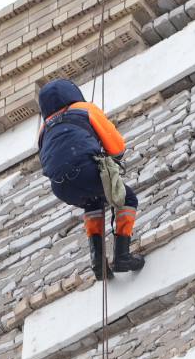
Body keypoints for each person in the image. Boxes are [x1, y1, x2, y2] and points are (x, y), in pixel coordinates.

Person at [36, 78, 144, 277]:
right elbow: (117, 148)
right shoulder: (85, 109)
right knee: (126, 198)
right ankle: (122, 256)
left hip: (60, 187)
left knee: (92, 204)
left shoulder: (43, 129)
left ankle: (98, 263)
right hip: (86, 171)